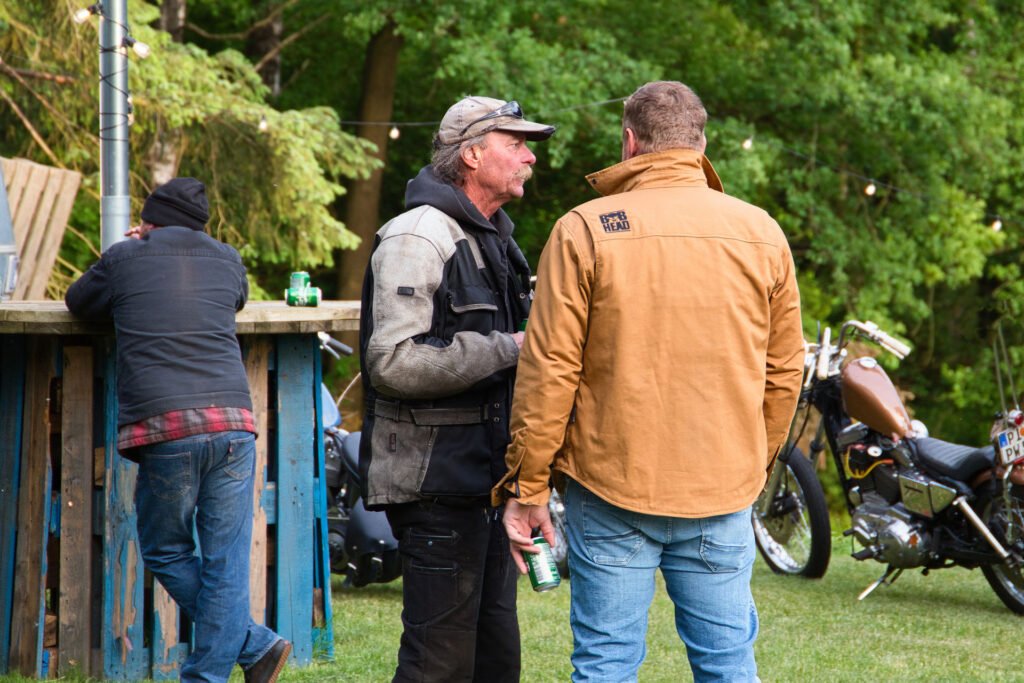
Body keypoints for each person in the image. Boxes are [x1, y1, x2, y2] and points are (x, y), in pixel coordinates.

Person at [494, 81, 805, 682]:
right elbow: (784, 371)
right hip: (720, 486)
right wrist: (751, 463)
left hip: (611, 484)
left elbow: (550, 367)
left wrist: (528, 487)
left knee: (606, 664)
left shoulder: (584, 229)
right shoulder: (761, 232)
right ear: (701, 144)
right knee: (728, 666)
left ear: (630, 143)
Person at [358, 96, 554, 682]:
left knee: (494, 660)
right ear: (471, 154)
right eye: (514, 144)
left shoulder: (493, 236)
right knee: (438, 664)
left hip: (486, 484)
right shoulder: (418, 237)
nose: (529, 158)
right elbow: (391, 363)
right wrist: (512, 347)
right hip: (436, 484)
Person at [65, 178, 291, 683]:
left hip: (169, 428)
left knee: (167, 549)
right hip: (235, 424)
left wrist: (124, 249)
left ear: (149, 220)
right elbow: (235, 299)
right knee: (226, 563)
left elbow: (79, 301)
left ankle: (248, 651)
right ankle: (250, 648)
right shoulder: (228, 258)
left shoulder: (125, 257)